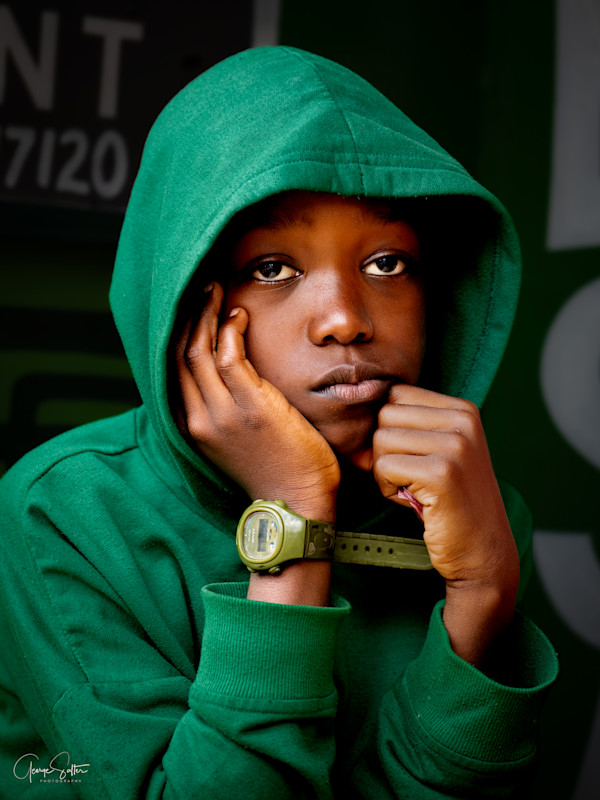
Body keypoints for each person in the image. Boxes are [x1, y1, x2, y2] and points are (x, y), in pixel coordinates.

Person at [0, 46, 558, 798]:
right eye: (272, 269)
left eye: (388, 262)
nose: (345, 319)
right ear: (186, 306)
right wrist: (291, 514)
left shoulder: (471, 510)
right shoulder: (62, 514)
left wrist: (484, 592)